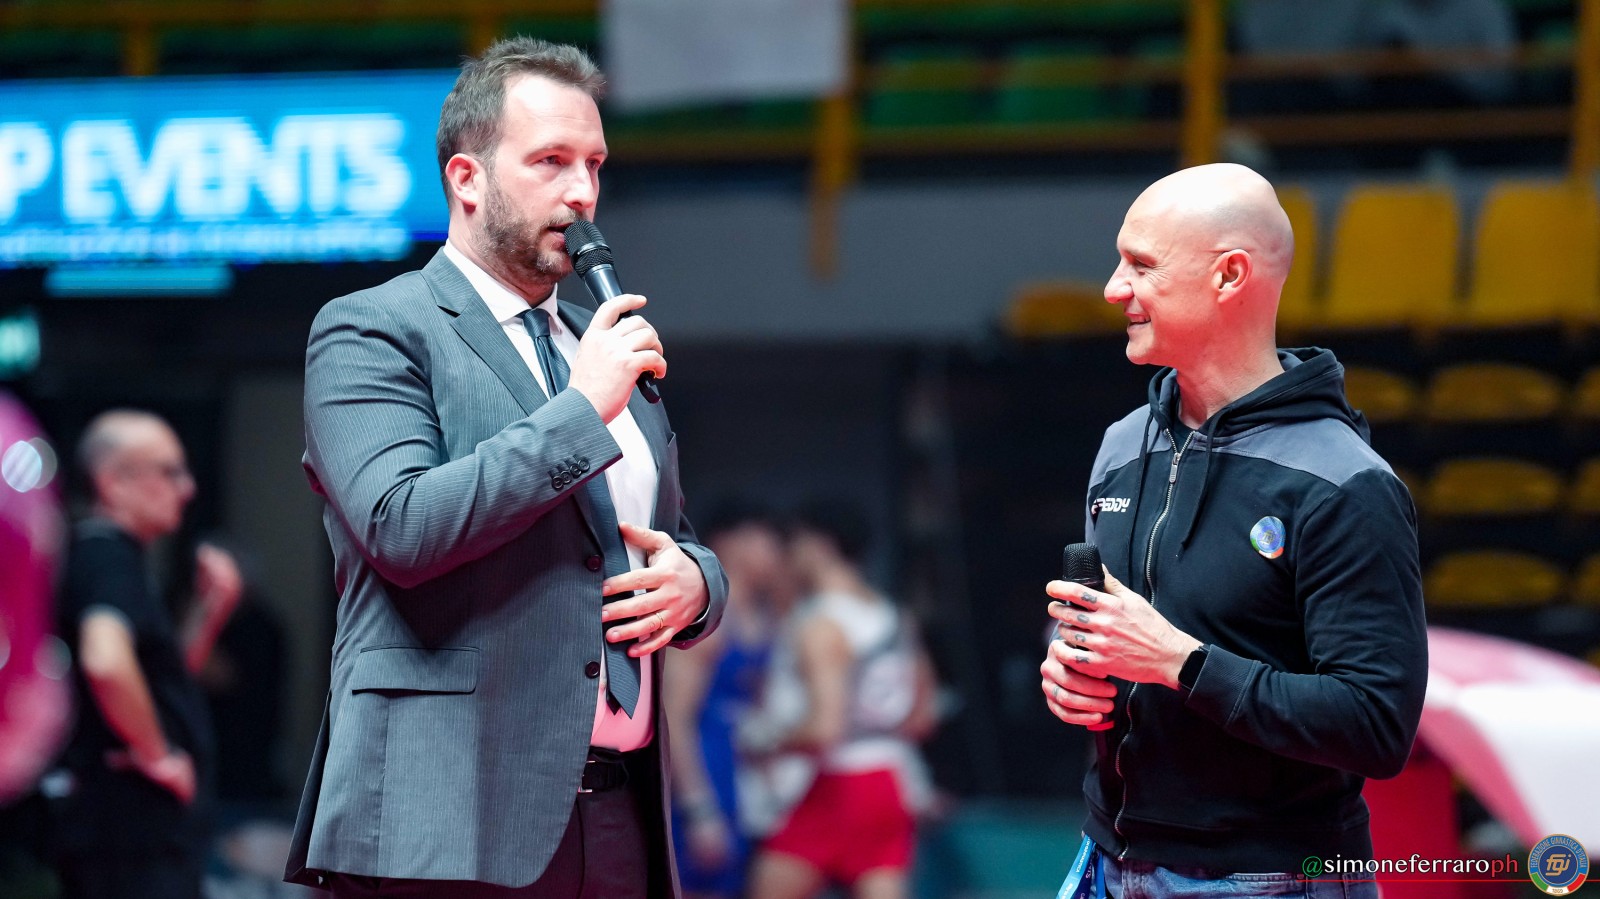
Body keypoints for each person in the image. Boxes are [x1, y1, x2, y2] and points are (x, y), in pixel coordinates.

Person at [284, 36, 728, 898]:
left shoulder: (600, 347)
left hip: (620, 810)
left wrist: (697, 585)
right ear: (468, 178)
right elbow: (402, 527)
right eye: (551, 161)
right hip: (445, 814)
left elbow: (663, 537)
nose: (582, 191)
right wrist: (582, 406)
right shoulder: (372, 328)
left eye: (594, 164)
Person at [1038, 163, 1426, 898]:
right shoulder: (1123, 444)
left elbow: (1377, 726)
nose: (1113, 289)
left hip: (1272, 877)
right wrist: (1068, 662)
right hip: (1108, 861)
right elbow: (1114, 630)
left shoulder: (1344, 481)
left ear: (1229, 275)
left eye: (1141, 266)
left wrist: (1181, 662)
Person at [51, 409, 243, 899]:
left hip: (137, 841)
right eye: (169, 471)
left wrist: (209, 611)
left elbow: (162, 687)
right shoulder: (105, 555)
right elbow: (106, 662)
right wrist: (159, 756)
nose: (187, 488)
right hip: (128, 842)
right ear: (112, 482)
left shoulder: (119, 557)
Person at [745, 501, 937, 899]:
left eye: (795, 542)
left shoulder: (821, 623)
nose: (790, 554)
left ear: (819, 544)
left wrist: (763, 742)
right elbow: (922, 718)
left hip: (839, 784)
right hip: (891, 782)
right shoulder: (894, 617)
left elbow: (824, 729)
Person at [664, 501, 788, 899]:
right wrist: (697, 808)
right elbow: (674, 718)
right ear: (728, 541)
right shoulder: (707, 620)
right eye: (765, 539)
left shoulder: (767, 615)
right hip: (703, 773)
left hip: (744, 779)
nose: (775, 551)